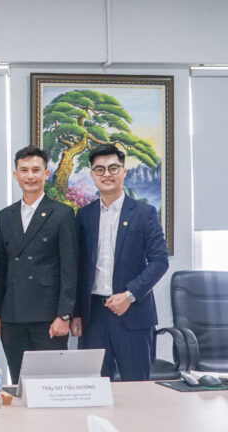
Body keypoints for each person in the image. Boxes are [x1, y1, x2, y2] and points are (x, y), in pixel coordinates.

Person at [72, 144, 169, 381]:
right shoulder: (84, 215)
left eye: (113, 168)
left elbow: (159, 261)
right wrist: (76, 313)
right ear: (92, 174)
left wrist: (130, 295)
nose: (107, 174)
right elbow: (78, 267)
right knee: (94, 386)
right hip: (93, 315)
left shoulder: (145, 213)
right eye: (100, 169)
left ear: (124, 172)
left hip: (132, 313)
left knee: (136, 388)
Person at [0, 145, 78, 384]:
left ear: (46, 174)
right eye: (24, 170)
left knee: (52, 384)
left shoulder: (62, 214)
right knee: (20, 383)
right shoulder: (5, 216)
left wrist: (65, 315)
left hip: (48, 317)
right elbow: (1, 270)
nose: (30, 176)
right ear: (15, 175)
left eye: (36, 170)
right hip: (12, 316)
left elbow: (70, 269)